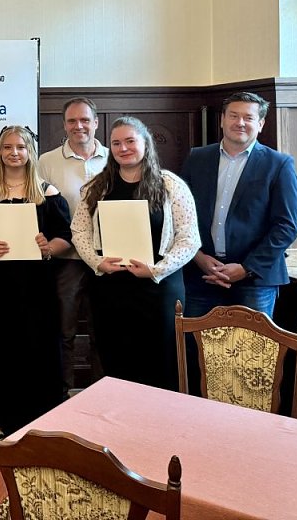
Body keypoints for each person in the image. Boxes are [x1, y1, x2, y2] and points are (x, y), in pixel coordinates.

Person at [71, 116, 201, 391]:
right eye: (116, 143)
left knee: (162, 362)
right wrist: (97, 262)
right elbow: (79, 230)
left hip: (159, 289)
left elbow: (190, 239)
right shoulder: (97, 187)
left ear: (145, 143)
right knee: (117, 362)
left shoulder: (171, 185)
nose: (123, 148)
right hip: (111, 290)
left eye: (130, 141)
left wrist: (157, 269)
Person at [0, 126, 70, 434]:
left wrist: (49, 247)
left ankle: (38, 425)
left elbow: (65, 238)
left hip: (36, 288)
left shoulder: (47, 192)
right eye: (8, 147)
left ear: (30, 152)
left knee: (37, 349)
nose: (14, 153)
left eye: (21, 147)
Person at [181, 92, 297, 318]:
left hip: (255, 281)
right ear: (222, 120)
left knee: (250, 342)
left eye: (248, 117)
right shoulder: (197, 158)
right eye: (233, 116)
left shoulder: (279, 165)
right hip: (201, 275)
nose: (240, 122)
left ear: (261, 124)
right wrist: (198, 256)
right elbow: (179, 215)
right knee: (196, 340)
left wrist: (246, 268)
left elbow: (286, 227)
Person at [38, 97, 108, 394]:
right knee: (63, 331)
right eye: (72, 121)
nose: (79, 126)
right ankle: (63, 396)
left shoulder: (113, 158)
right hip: (67, 259)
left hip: (106, 260)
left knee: (102, 331)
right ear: (64, 125)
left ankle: (103, 396)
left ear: (96, 123)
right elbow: (41, 209)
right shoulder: (46, 162)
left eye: (85, 120)